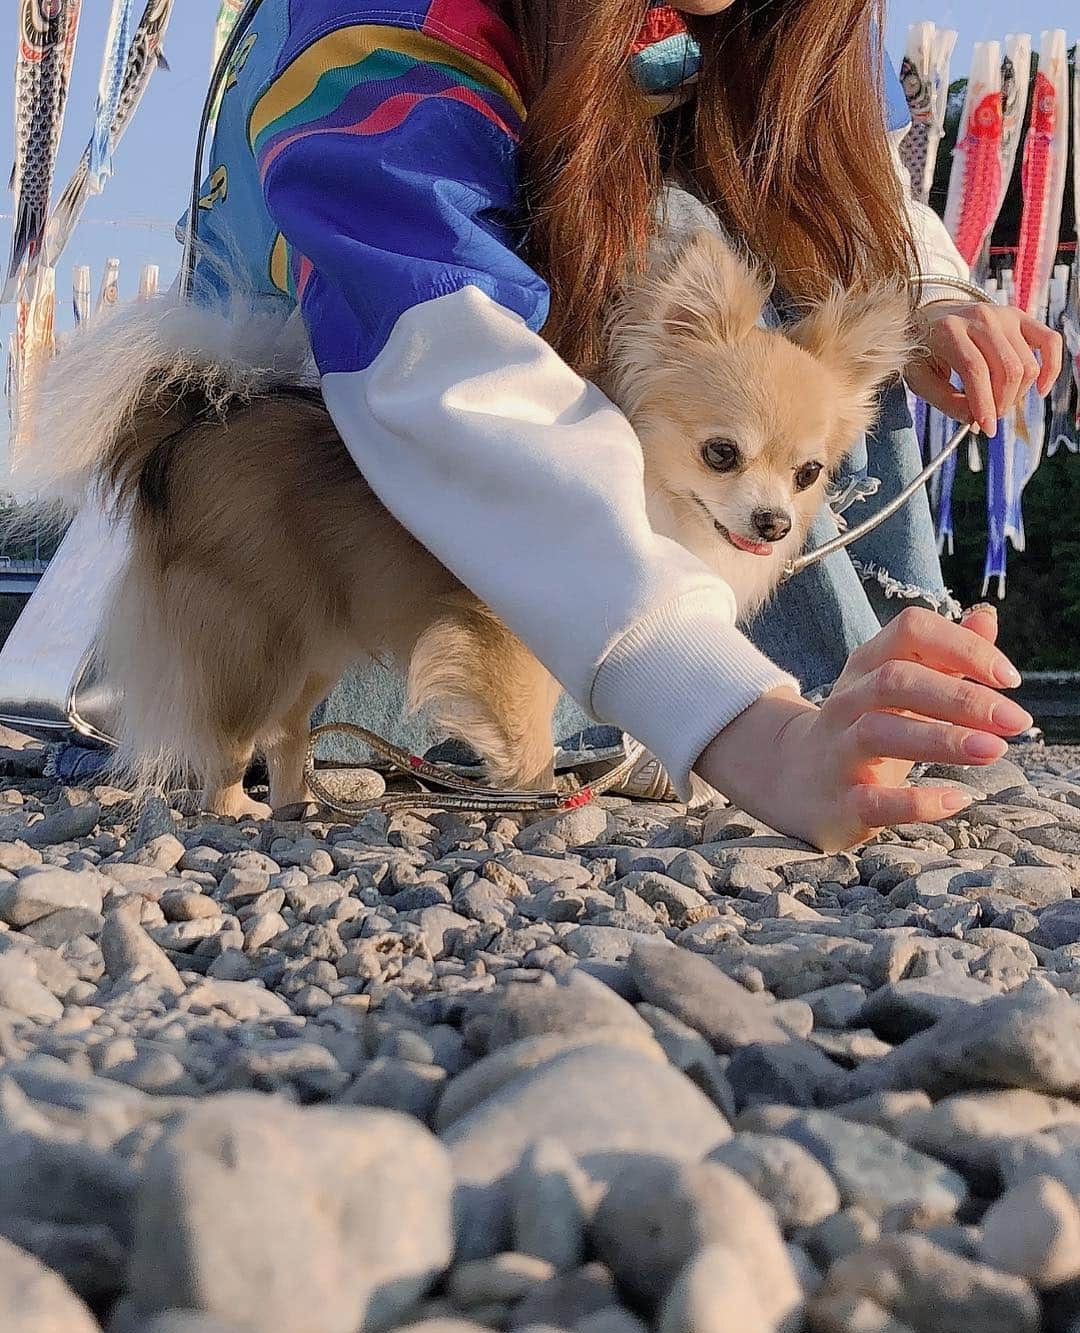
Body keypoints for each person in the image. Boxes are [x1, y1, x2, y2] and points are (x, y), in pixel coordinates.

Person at [188, 0, 1061, 851]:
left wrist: (931, 293)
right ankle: (678, 695)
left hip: (553, 425)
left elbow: (842, 166)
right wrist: (749, 728)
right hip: (347, 462)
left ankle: (717, 691)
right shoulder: (397, 22)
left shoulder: (803, 19)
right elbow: (443, 359)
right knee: (674, 246)